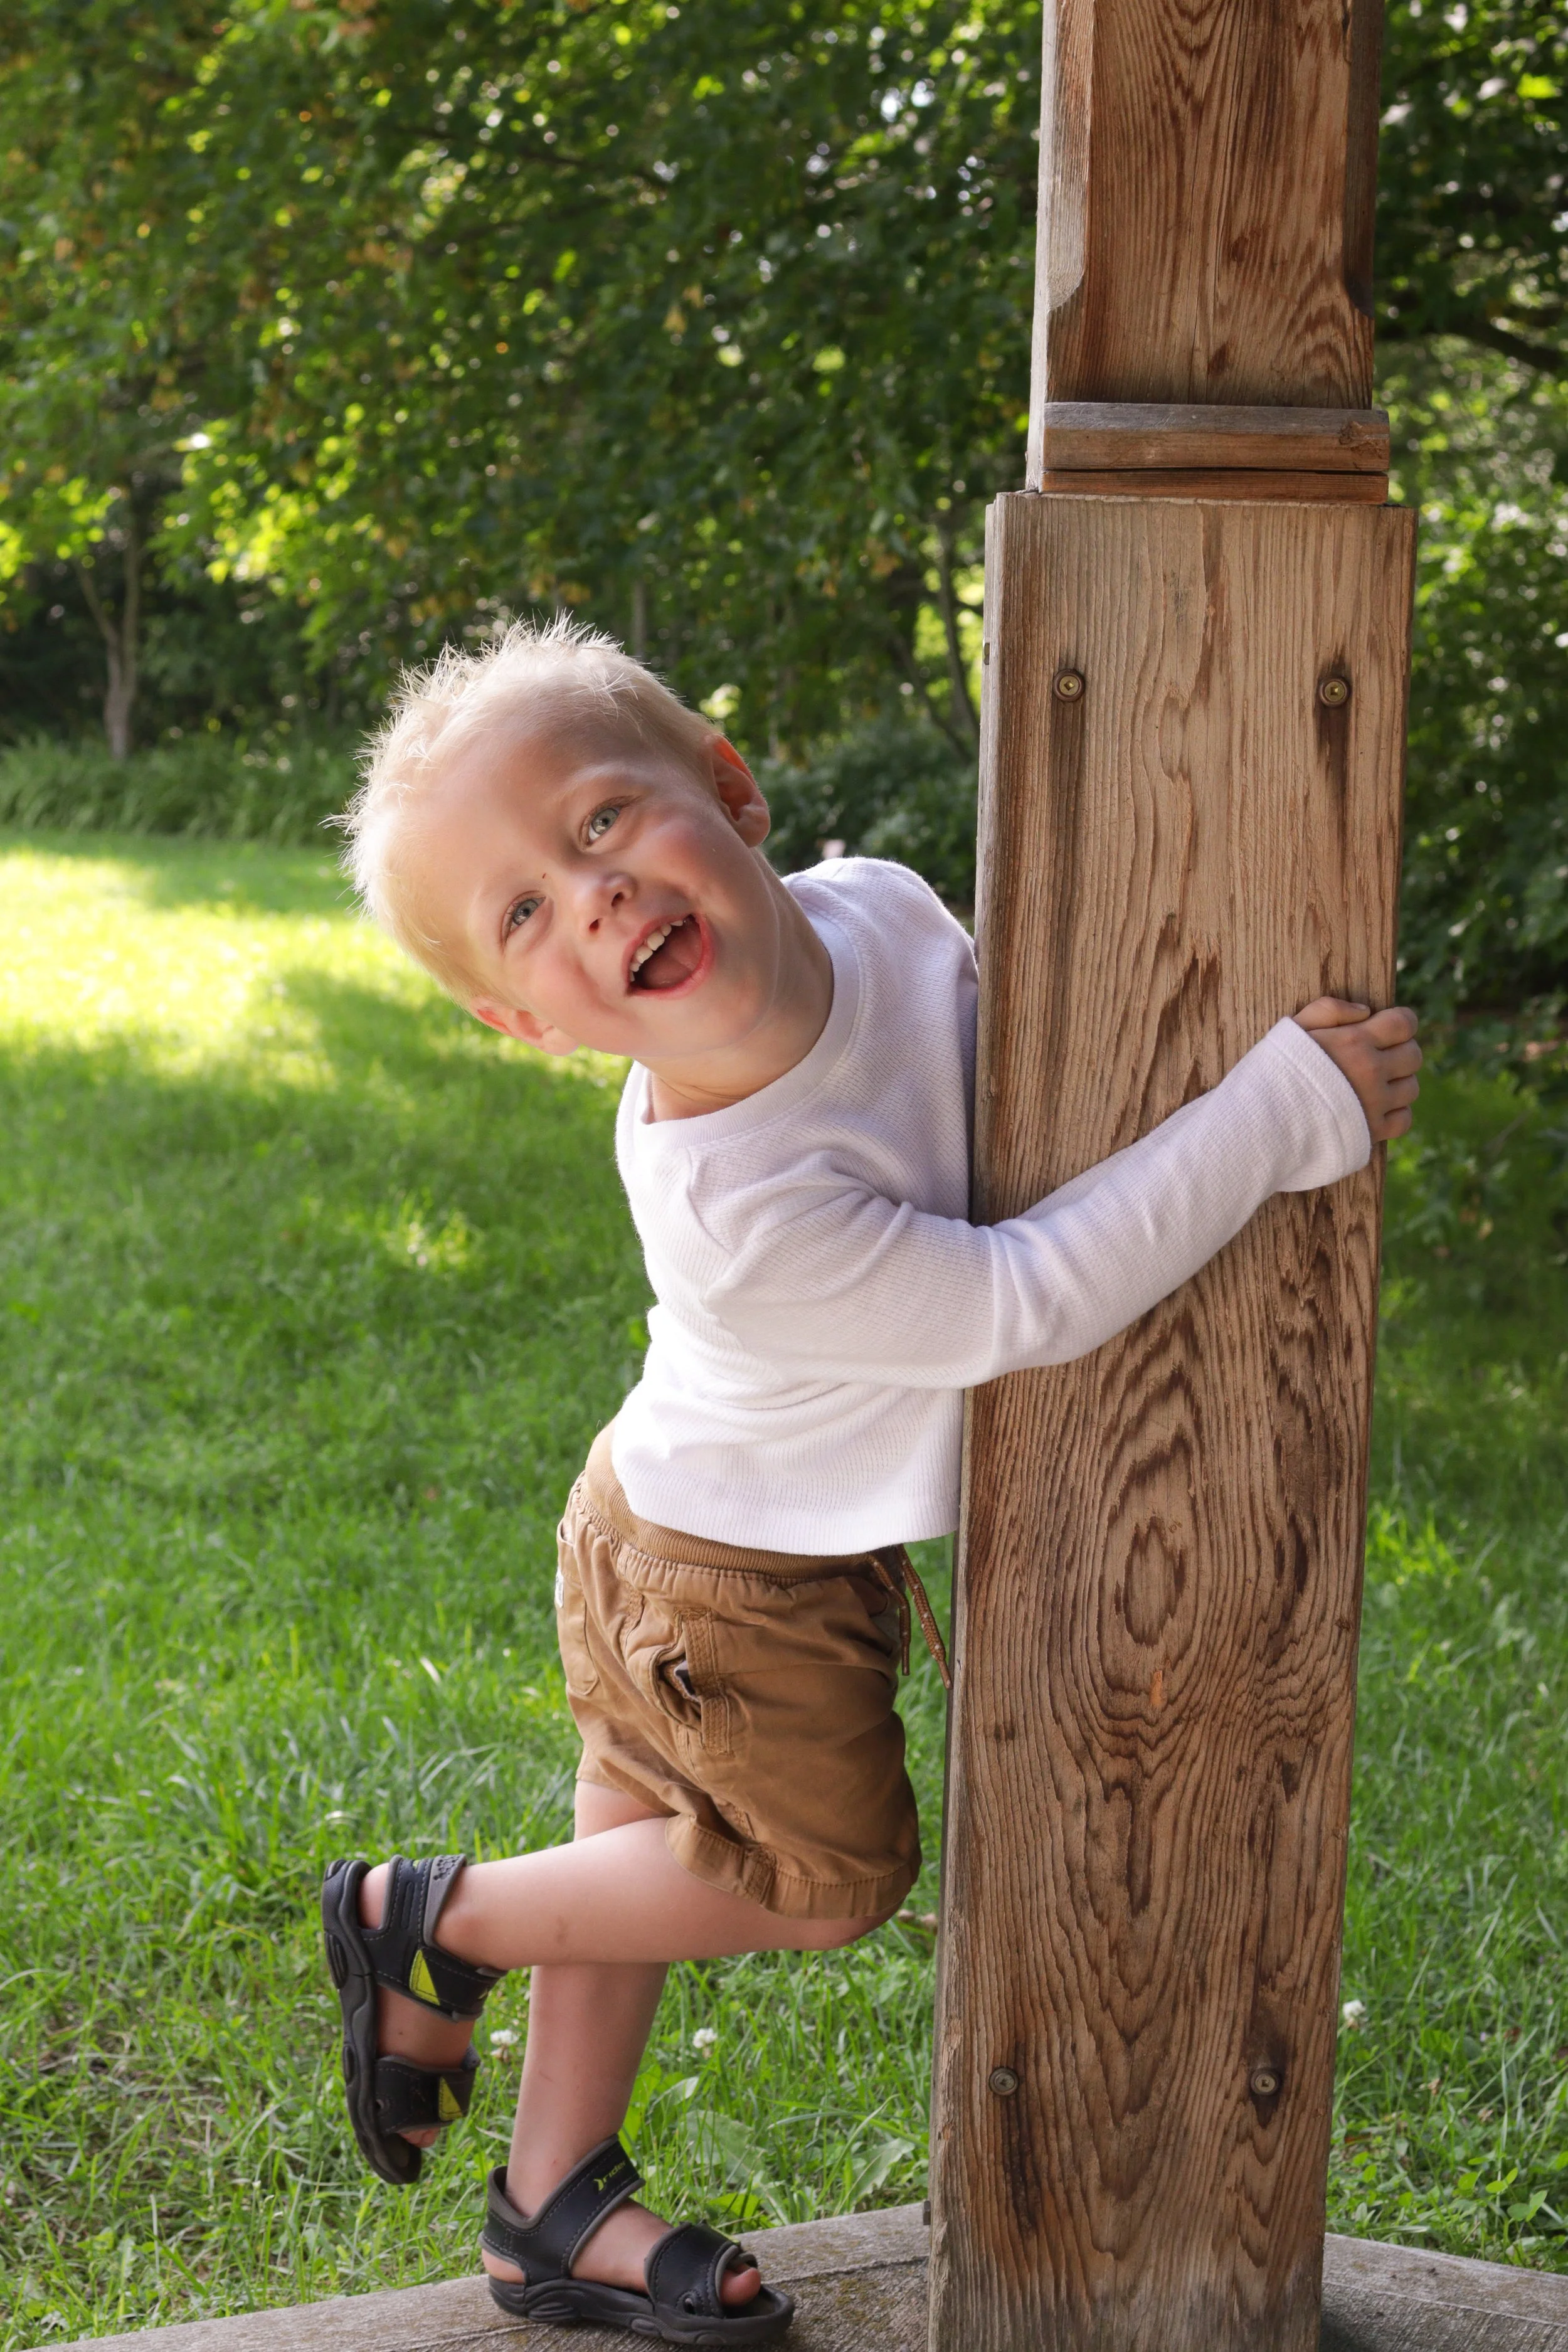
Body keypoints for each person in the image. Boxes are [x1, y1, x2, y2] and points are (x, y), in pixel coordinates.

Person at [319, 617, 1421, 2345]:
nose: (590, 894)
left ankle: (548, 2205)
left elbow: (1043, 1079)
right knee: (820, 1879)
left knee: (643, 1854)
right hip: (720, 1573)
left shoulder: (891, 909)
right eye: (525, 911)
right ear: (518, 1019)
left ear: (731, 790)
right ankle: (433, 1921)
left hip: (676, 1510)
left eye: (602, 821)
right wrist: (1278, 1114)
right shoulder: (740, 1203)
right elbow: (1019, 1297)